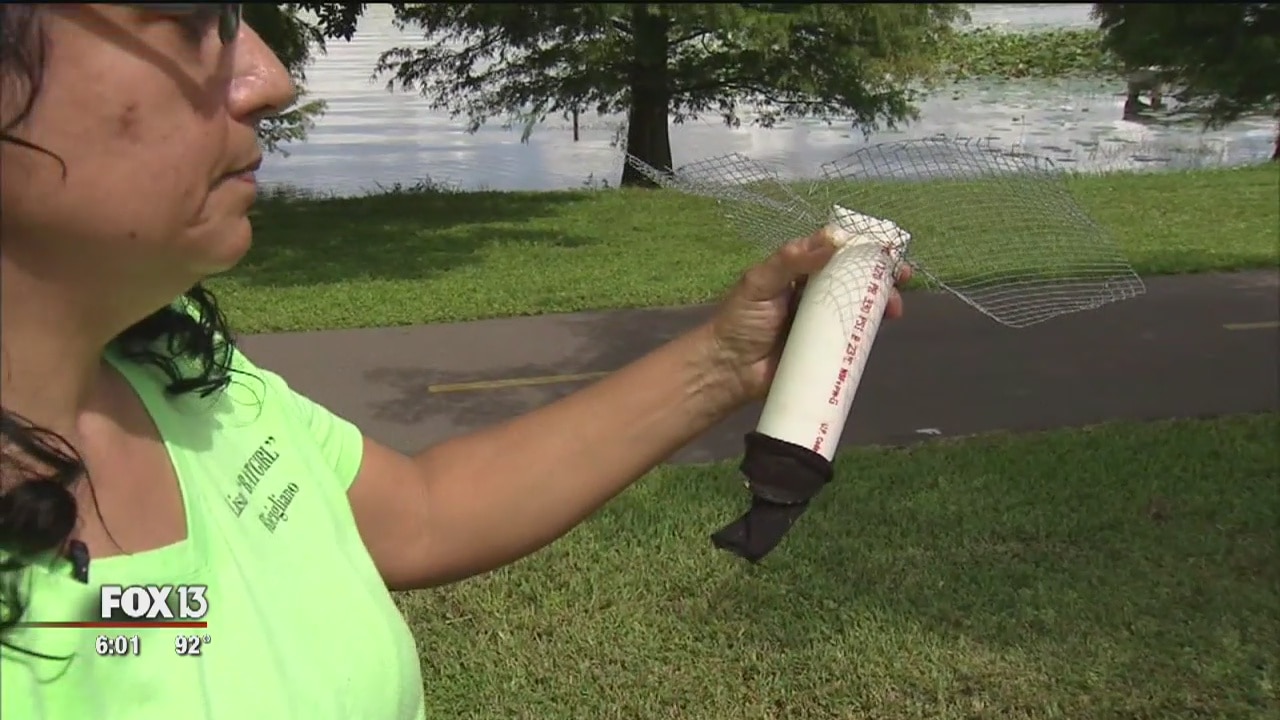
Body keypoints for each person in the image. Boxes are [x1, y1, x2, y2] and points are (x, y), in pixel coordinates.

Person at [0, 4, 909, 719]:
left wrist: (723, 362)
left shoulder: (174, 374)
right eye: (189, 16)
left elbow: (423, 513)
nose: (271, 79)